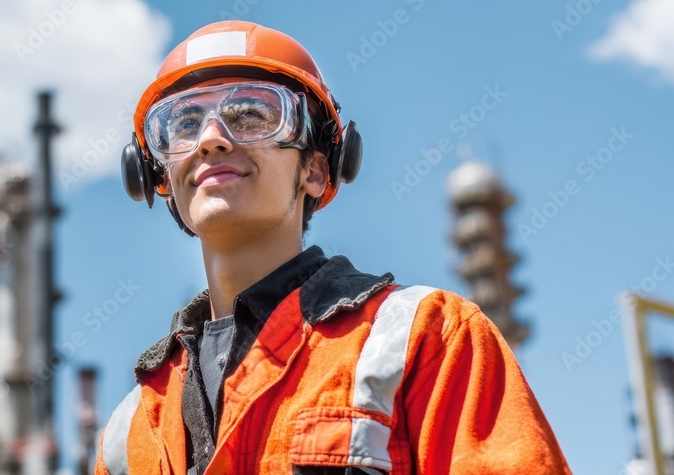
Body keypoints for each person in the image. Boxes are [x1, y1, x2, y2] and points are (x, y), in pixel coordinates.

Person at [97, 20, 570, 475]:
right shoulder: (131, 427)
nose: (212, 139)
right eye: (182, 123)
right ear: (154, 175)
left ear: (316, 171)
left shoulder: (429, 339)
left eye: (251, 114)